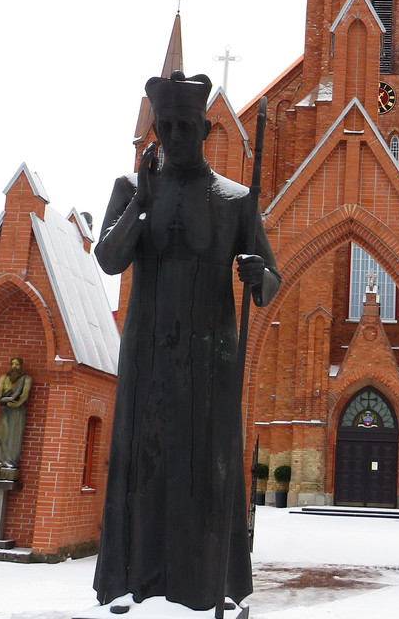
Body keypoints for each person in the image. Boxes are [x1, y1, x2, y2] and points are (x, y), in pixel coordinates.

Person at [93, 71, 280, 612]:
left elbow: (270, 281)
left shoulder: (236, 199)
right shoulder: (131, 190)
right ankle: (132, 580)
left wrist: (253, 271)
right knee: (141, 460)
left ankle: (208, 581)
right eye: (165, 126)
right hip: (147, 351)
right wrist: (143, 202)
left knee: (206, 465)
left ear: (204, 130)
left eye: (184, 126)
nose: (173, 136)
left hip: (208, 358)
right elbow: (109, 259)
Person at [0, 357, 31, 468]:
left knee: (13, 435)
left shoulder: (26, 379)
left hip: (17, 410)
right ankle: (0, 459)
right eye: (13, 364)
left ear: (21, 366)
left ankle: (10, 462)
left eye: (17, 364)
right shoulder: (4, 378)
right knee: (2, 433)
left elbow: (24, 395)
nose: (14, 367)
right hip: (4, 409)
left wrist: (18, 403)